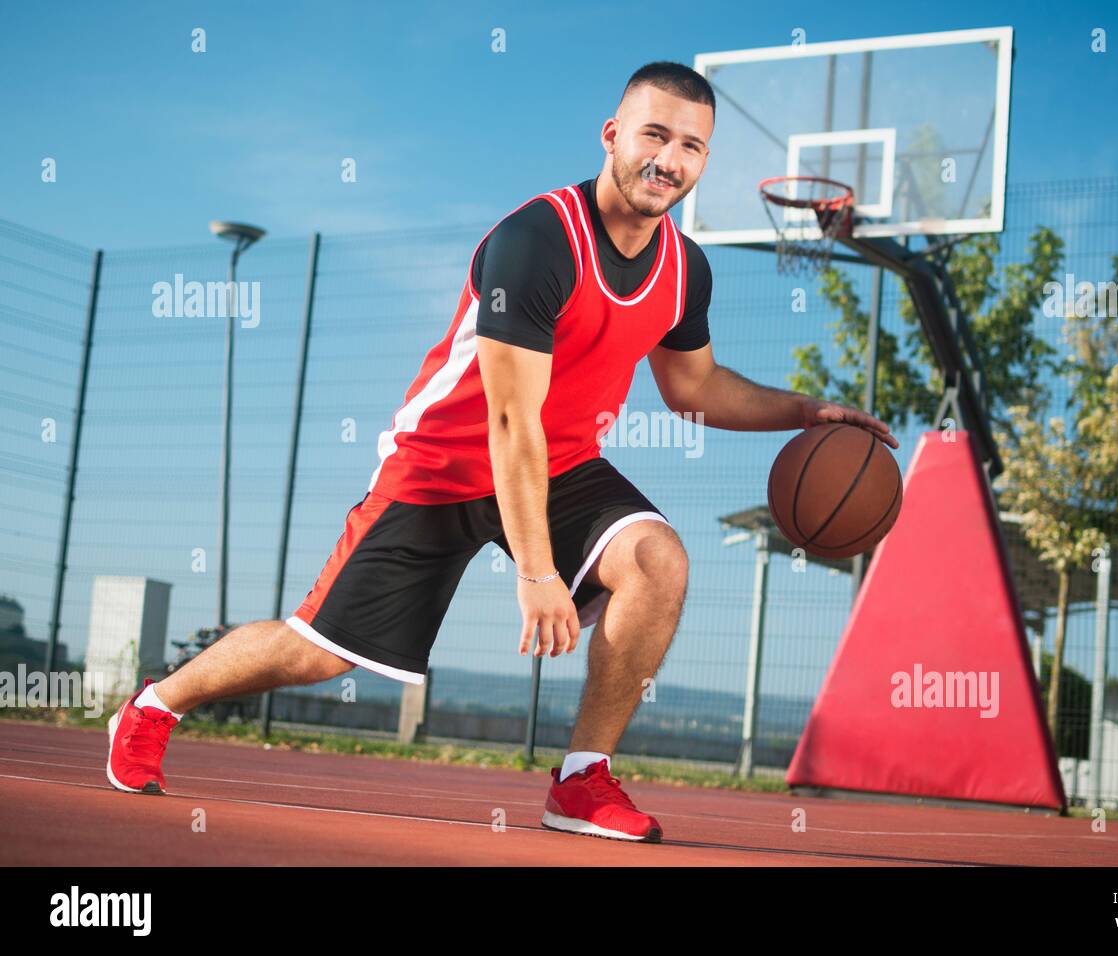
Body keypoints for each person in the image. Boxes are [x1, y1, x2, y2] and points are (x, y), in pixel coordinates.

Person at [106, 61, 897, 843]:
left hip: (561, 465)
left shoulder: (685, 269)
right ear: (613, 135)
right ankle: (155, 705)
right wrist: (536, 570)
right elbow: (509, 421)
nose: (669, 159)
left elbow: (694, 390)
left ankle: (582, 780)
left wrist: (806, 412)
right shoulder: (538, 239)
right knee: (316, 655)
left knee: (658, 562)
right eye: (653, 135)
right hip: (443, 463)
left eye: (690, 145)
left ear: (705, 161)